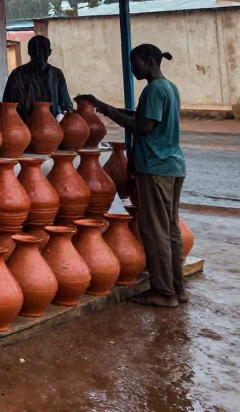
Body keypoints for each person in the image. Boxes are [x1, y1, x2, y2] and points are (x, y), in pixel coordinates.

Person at [78, 43, 186, 308]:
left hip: (155, 167)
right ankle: (177, 288)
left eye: (133, 62)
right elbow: (141, 117)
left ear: (149, 61)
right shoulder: (169, 87)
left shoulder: (153, 90)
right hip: (173, 166)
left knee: (155, 230)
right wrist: (104, 107)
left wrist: (104, 108)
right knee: (171, 229)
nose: (131, 67)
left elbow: (142, 126)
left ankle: (163, 292)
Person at [3, 34, 74, 122]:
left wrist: (61, 116)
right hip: (23, 128)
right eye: (36, 54)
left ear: (49, 53)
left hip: (52, 127)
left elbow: (66, 105)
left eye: (43, 54)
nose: (40, 58)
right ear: (29, 53)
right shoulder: (17, 75)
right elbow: (7, 107)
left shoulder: (56, 74)